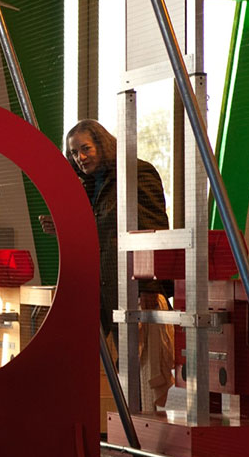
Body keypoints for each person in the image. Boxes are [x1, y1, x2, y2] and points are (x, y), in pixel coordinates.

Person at [60, 119, 176, 435]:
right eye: (74, 153)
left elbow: (152, 231)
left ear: (104, 144)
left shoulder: (136, 173)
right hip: (104, 291)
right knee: (123, 371)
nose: (80, 158)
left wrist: (149, 287)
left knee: (149, 371)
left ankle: (151, 442)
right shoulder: (86, 185)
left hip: (138, 287)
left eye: (85, 148)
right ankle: (132, 439)